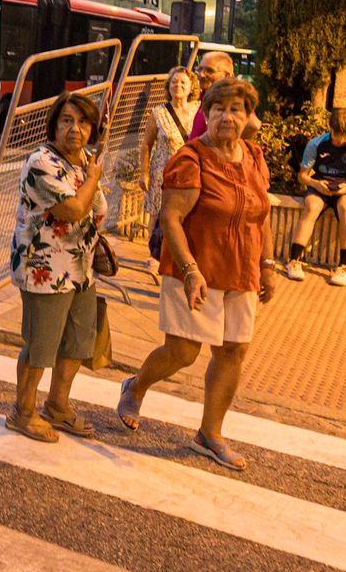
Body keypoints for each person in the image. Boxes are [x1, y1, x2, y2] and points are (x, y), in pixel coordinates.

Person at [115, 76, 274, 472]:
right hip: (193, 267)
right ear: (206, 113)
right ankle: (135, 386)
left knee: (233, 350)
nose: (226, 117)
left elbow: (261, 216)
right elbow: (170, 217)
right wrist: (189, 270)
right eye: (218, 108)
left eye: (235, 109)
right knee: (184, 351)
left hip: (240, 270)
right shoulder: (191, 158)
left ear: (248, 117)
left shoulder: (254, 157)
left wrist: (268, 265)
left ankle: (210, 433)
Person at [4, 91, 109, 442]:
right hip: (44, 268)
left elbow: (98, 209)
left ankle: (58, 406)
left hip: (81, 268)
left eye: (82, 122)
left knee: (77, 343)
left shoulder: (83, 161)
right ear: (54, 125)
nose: (75, 129)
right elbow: (75, 209)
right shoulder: (42, 163)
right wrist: (93, 179)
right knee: (40, 346)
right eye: (66, 120)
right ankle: (23, 411)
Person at [285, 109, 346, 287]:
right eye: (336, 133)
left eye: (345, 135)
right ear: (329, 127)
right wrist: (315, 185)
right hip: (320, 185)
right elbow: (303, 175)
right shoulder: (316, 144)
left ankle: (344, 266)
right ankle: (293, 260)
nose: (339, 139)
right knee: (311, 206)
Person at [139, 66, 198, 260]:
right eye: (174, 81)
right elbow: (146, 144)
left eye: (183, 82)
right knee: (156, 213)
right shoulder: (158, 112)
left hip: (189, 172)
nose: (178, 85)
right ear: (168, 86)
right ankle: (154, 253)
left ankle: (177, 254)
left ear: (191, 87)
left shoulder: (198, 111)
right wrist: (144, 173)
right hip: (161, 172)